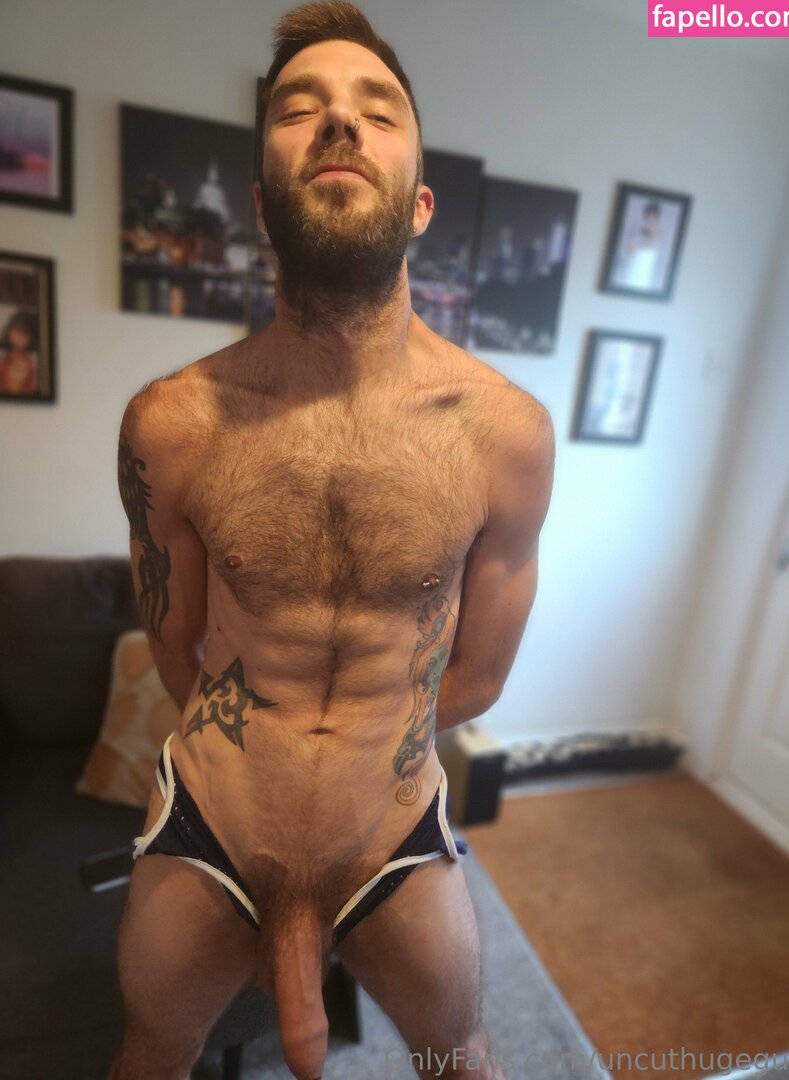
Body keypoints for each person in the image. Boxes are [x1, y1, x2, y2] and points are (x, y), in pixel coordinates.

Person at [108, 3, 555, 1079]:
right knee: (153, 1049)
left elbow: (479, 677)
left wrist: (350, 783)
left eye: (378, 112)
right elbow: (176, 653)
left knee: (462, 1056)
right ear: (262, 204)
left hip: (390, 832)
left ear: (421, 204)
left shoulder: (506, 436)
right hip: (212, 820)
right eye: (300, 109)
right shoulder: (171, 427)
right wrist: (271, 795)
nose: (341, 124)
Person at [0, 310, 39, 396]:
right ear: (9, 331)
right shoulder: (3, 358)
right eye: (16, 332)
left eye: (24, 334)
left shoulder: (31, 364)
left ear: (32, 338)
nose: (18, 337)